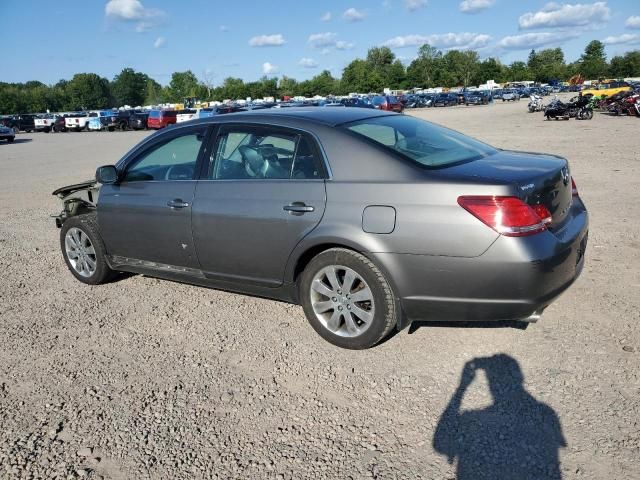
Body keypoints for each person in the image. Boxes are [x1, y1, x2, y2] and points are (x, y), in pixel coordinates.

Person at [433, 354, 566, 480]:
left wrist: (462, 387)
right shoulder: (547, 413)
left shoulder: (471, 418)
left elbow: (440, 445)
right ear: (519, 378)